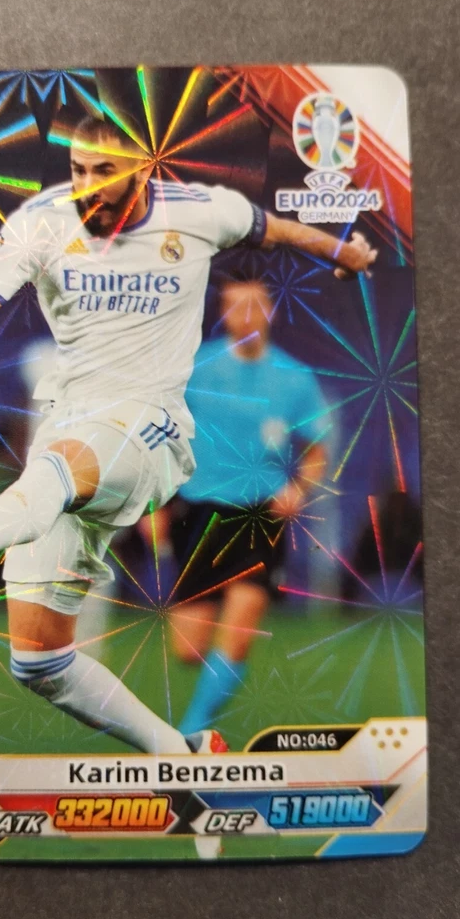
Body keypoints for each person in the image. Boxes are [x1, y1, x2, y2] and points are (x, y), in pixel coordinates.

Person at [0, 114, 376, 758]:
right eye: (78, 170)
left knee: (72, 455)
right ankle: (181, 754)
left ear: (142, 171)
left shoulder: (199, 212)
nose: (88, 185)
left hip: (152, 431)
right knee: (39, 661)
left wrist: (344, 254)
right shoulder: (42, 223)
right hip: (69, 437)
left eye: (105, 171)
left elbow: (276, 229)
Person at [168, 275, 330, 733]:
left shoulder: (294, 377)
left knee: (239, 628)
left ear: (270, 311)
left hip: (260, 514)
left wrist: (299, 489)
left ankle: (191, 732)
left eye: (255, 305)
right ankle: (213, 671)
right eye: (235, 306)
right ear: (223, 313)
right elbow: (160, 435)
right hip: (199, 512)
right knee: (187, 649)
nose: (246, 315)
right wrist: (152, 506)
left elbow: (316, 450)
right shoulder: (195, 368)